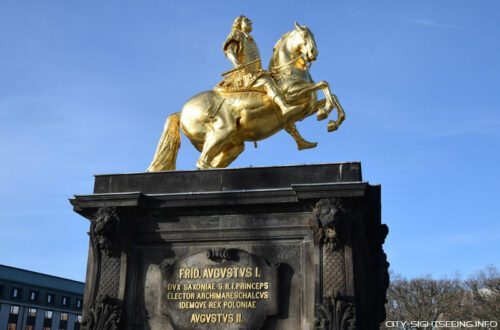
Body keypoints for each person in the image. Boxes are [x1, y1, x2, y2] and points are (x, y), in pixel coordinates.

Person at [221, 15, 300, 116]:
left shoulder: (249, 37)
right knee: (267, 82)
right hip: (245, 74)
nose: (250, 22)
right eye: (246, 20)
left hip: (256, 72)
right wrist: (237, 64)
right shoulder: (236, 34)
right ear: (239, 24)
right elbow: (229, 50)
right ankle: (284, 107)